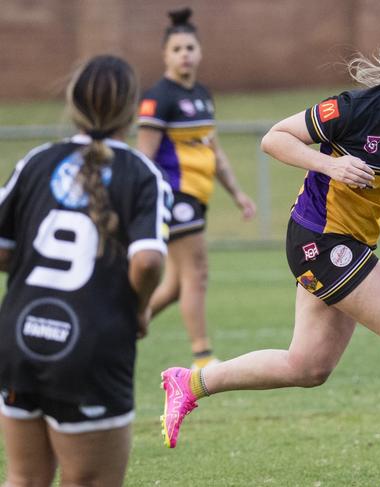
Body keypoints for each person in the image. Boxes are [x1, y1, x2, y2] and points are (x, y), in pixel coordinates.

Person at [159, 24, 380, 486]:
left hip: (354, 244)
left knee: (308, 366)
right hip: (319, 239)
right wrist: (329, 162)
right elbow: (273, 138)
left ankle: (190, 383)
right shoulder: (354, 108)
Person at [0, 55, 168, 487]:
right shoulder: (141, 173)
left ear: (73, 104)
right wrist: (142, 308)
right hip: (91, 347)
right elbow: (148, 260)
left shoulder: (36, 161)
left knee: (23, 478)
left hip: (20, 336)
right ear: (131, 110)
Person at [137, 7, 256, 370]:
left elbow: (214, 151)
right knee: (197, 273)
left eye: (190, 47)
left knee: (174, 287)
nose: (184, 54)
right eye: (176, 49)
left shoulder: (203, 95)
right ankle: (203, 355)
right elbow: (144, 158)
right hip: (176, 198)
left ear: (199, 52)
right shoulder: (158, 98)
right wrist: (148, 202)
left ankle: (123, 327)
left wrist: (237, 193)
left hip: (197, 197)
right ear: (165, 56)